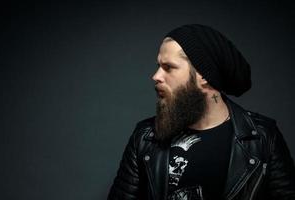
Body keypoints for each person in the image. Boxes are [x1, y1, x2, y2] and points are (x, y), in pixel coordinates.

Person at [107, 24, 295, 200]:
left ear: (204, 75)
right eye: (158, 66)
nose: (156, 76)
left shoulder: (262, 137)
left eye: (168, 67)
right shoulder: (145, 137)